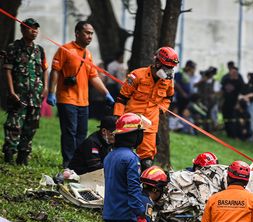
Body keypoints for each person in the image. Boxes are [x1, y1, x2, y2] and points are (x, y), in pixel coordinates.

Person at [103, 113, 174, 222]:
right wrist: (141, 215)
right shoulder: (131, 158)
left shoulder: (110, 156)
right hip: (125, 217)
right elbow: (133, 191)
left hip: (110, 215)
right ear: (134, 135)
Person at [47, 21, 114, 168]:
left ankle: (77, 161)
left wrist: (106, 94)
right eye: (87, 33)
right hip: (66, 98)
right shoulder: (65, 49)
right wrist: (51, 92)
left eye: (91, 33)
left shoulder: (87, 54)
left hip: (83, 101)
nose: (90, 36)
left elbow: (93, 77)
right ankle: (68, 162)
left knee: (81, 133)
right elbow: (55, 70)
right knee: (69, 131)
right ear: (77, 33)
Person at [113, 47, 178, 170]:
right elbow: (122, 98)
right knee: (122, 154)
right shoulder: (137, 75)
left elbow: (169, 97)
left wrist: (161, 109)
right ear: (157, 63)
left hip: (150, 125)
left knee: (146, 161)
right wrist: (117, 119)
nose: (169, 71)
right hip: (129, 122)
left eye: (171, 68)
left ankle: (143, 186)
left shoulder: (168, 81)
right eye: (167, 67)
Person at [3, 18, 48, 165]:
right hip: (18, 95)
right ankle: (9, 154)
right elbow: (8, 70)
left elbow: (44, 70)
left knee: (31, 127)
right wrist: (11, 91)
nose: (34, 31)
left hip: (35, 96)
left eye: (36, 28)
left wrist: (45, 88)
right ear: (23, 29)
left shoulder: (39, 50)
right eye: (30, 28)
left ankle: (23, 156)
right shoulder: (13, 47)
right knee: (14, 126)